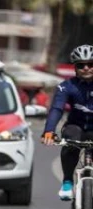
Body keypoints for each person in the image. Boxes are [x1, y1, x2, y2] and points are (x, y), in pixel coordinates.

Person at [42, 44, 93, 200]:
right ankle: (67, 182)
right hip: (75, 126)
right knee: (71, 138)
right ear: (75, 68)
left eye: (90, 64)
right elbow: (57, 109)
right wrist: (49, 131)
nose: (86, 68)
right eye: (81, 65)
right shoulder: (66, 87)